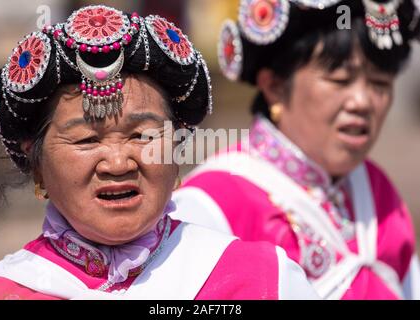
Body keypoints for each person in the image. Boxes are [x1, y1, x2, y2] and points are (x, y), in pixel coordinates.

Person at [0, 5, 318, 300]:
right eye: (87, 141)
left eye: (142, 135)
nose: (119, 162)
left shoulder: (262, 279)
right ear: (37, 165)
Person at [172, 0, 420, 299]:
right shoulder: (209, 205)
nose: (363, 102)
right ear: (275, 85)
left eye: (380, 83)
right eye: (340, 80)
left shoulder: (377, 190)